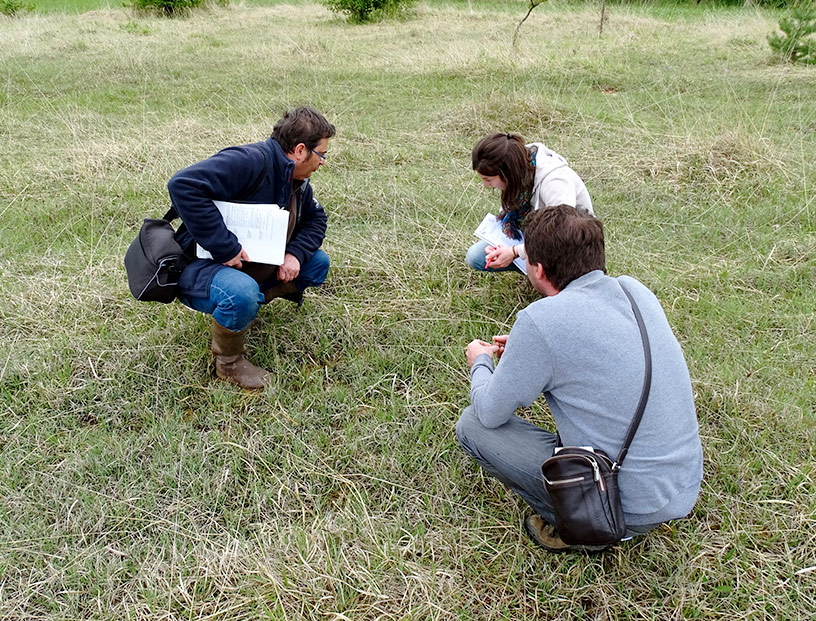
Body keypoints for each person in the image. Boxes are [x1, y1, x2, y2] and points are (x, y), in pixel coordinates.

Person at [456, 205, 703, 553]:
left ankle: (581, 529)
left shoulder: (540, 321)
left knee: (471, 425)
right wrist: (531, 351)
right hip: (683, 485)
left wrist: (480, 362)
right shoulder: (635, 291)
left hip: (621, 503)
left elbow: (490, 411)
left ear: (538, 270)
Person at [167, 106, 336, 390]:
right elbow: (183, 185)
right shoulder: (249, 161)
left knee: (316, 263)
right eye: (321, 154)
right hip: (200, 266)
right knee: (240, 292)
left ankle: (246, 311)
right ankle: (229, 363)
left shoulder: (296, 181)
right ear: (299, 150)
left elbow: (316, 219)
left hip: (250, 262)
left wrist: (294, 254)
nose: (322, 162)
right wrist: (224, 247)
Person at [466, 132, 593, 273]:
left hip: (570, 246)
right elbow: (511, 215)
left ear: (507, 172)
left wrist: (515, 252)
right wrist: (498, 245)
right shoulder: (518, 169)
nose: (485, 184)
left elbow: (563, 235)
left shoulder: (555, 182)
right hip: (534, 235)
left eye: (488, 179)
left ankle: (553, 278)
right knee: (476, 256)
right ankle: (534, 271)